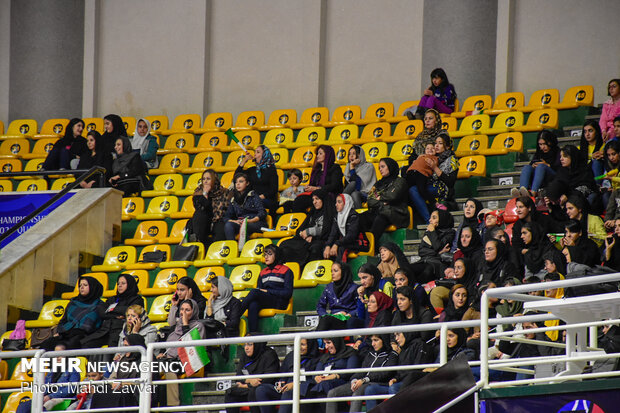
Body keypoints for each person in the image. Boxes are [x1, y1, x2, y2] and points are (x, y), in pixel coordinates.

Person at [325, 334, 397, 413]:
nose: (373, 344)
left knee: (357, 392)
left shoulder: (391, 355)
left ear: (384, 340)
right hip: (362, 382)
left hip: (376, 383)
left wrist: (364, 380)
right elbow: (362, 371)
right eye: (372, 340)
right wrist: (354, 380)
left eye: (376, 340)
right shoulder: (370, 354)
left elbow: (384, 374)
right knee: (332, 393)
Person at [363, 331, 433, 410]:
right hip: (399, 382)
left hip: (411, 382)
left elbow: (417, 370)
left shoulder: (420, 345)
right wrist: (395, 378)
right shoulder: (402, 349)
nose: (396, 338)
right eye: (395, 336)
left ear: (407, 333)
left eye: (398, 335)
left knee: (393, 388)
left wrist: (397, 378)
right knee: (370, 390)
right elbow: (399, 371)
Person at [157, 299, 206, 407]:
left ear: (194, 312)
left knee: (169, 369)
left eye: (187, 310)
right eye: (182, 309)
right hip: (168, 360)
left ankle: (173, 406)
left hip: (186, 361)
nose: (183, 313)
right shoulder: (175, 327)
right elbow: (168, 345)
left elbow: (191, 348)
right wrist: (162, 354)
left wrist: (185, 325)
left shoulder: (198, 326)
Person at [36, 276, 103, 350]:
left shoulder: (99, 305)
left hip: (83, 337)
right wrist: (61, 332)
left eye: (85, 285)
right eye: (80, 285)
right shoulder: (73, 303)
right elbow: (63, 321)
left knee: (61, 347)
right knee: (46, 345)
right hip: (66, 334)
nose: (81, 287)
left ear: (93, 287)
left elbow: (92, 327)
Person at [254, 338, 319, 413]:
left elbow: (314, 380)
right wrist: (281, 382)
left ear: (310, 345)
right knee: (262, 389)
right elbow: (282, 373)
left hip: (302, 391)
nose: (300, 347)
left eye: (303, 344)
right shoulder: (291, 356)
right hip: (285, 388)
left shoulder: (316, 359)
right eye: (298, 344)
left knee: (288, 392)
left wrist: (295, 385)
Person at [239, 245, 293, 333]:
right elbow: (260, 291)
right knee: (253, 304)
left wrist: (268, 291)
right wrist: (264, 292)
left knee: (254, 292)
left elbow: (288, 293)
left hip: (279, 301)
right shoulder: (263, 272)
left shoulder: (286, 271)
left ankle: (235, 315)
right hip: (267, 300)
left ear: (277, 256)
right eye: (265, 254)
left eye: (270, 254)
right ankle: (253, 335)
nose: (266, 257)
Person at [81, 273, 144, 349]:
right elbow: (101, 312)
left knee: (112, 349)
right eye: (118, 284)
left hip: (121, 331)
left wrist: (111, 309)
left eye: (123, 283)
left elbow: (130, 311)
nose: (119, 286)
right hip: (104, 331)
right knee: (85, 343)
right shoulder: (112, 299)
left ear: (130, 284)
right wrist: (116, 315)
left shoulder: (137, 299)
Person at [16, 343, 81, 412]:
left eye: (60, 353)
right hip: (46, 397)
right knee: (24, 405)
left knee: (46, 406)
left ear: (67, 355)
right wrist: (41, 397)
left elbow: (71, 389)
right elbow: (44, 386)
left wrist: (51, 396)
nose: (57, 356)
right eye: (55, 354)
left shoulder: (73, 370)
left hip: (63, 399)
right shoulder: (51, 371)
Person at [409, 134, 459, 221]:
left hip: (442, 188)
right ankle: (428, 218)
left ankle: (428, 220)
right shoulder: (432, 157)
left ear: (447, 146)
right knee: (412, 189)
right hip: (429, 184)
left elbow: (450, 182)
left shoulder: (452, 159)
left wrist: (434, 167)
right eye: (435, 143)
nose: (436, 145)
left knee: (415, 190)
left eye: (440, 143)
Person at [280, 189, 334, 266]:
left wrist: (309, 232)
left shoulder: (329, 212)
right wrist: (305, 234)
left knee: (315, 248)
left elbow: (326, 229)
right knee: (284, 244)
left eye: (317, 199)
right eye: (313, 199)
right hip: (306, 239)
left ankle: (305, 270)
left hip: (321, 240)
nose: (314, 202)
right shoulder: (312, 212)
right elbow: (299, 230)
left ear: (323, 199)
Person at [91, 335, 147, 409]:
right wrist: (114, 383)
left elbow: (145, 381)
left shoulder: (146, 359)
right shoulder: (123, 359)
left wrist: (123, 384)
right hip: (119, 388)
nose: (125, 349)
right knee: (99, 393)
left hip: (135, 392)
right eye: (124, 346)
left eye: (127, 346)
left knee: (120, 396)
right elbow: (112, 377)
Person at [225, 338, 280, 413]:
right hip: (249, 387)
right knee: (230, 392)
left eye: (250, 344)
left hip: (265, 389)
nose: (246, 348)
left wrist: (246, 385)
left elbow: (268, 378)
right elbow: (238, 376)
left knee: (254, 392)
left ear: (257, 344)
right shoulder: (244, 356)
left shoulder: (269, 354)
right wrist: (250, 380)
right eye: (245, 345)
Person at [361, 157, 409, 243]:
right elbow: (370, 200)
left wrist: (380, 197)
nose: (380, 169)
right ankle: (365, 243)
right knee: (361, 217)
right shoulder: (378, 183)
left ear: (390, 167)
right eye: (379, 167)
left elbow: (392, 195)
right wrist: (383, 203)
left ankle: (371, 245)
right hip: (381, 210)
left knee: (381, 217)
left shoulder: (400, 181)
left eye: (383, 167)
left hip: (396, 212)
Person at [307, 337, 360, 402]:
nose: (326, 347)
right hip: (323, 383)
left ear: (336, 342)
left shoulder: (350, 353)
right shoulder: (325, 357)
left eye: (329, 343)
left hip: (343, 382)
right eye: (325, 343)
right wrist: (317, 377)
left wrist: (335, 376)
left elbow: (351, 371)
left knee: (324, 385)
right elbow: (316, 373)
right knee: (306, 387)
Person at [292, 145, 343, 212]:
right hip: (316, 194)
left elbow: (335, 185)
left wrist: (317, 188)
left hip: (329, 195)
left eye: (320, 153)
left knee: (305, 200)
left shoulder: (335, 168)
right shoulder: (317, 170)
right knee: (297, 201)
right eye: (317, 154)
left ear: (327, 155)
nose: (317, 156)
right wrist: (308, 187)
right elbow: (313, 185)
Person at [188, 169, 231, 246]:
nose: (205, 181)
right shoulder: (198, 192)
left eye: (208, 179)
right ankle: (200, 245)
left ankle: (214, 251)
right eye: (203, 179)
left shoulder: (224, 192)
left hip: (218, 220)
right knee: (199, 215)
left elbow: (226, 210)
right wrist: (205, 194)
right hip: (204, 222)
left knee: (221, 228)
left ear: (214, 180)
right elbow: (200, 208)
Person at [410, 210, 455, 283]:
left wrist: (432, 232)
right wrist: (437, 253)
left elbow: (437, 246)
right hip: (424, 261)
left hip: (436, 264)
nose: (430, 220)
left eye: (434, 218)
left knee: (427, 271)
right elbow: (421, 251)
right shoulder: (429, 231)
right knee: (407, 269)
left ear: (442, 219)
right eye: (430, 218)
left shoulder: (449, 233)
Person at [513, 129, 561, 198]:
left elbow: (561, 169)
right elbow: (533, 162)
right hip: (539, 177)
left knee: (541, 166)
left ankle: (533, 192)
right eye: (540, 144)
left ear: (550, 142)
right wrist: (533, 165)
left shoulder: (558, 152)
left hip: (553, 176)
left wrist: (548, 165)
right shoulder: (539, 152)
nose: (542, 147)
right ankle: (522, 192)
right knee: (527, 167)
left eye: (544, 144)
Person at [316, 261, 360, 332]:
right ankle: (314, 340)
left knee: (326, 321)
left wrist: (349, 314)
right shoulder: (329, 287)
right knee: (326, 319)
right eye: (331, 271)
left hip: (347, 319)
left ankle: (314, 340)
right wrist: (325, 315)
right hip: (331, 318)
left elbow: (360, 307)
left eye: (335, 271)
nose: (332, 273)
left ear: (343, 272)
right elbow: (320, 306)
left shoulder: (354, 288)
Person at [224, 173, 268, 240]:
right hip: (242, 223)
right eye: (236, 182)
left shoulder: (253, 195)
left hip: (256, 223)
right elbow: (226, 217)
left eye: (241, 181)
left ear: (247, 183)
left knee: (245, 226)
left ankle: (244, 248)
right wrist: (234, 221)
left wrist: (251, 220)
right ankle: (232, 247)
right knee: (228, 225)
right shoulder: (234, 199)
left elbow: (262, 212)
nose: (238, 184)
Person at [237, 144, 279, 214]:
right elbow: (237, 176)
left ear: (265, 155)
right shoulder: (252, 170)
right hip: (253, 198)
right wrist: (245, 160)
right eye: (255, 152)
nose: (255, 154)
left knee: (252, 203)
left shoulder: (271, 170)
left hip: (267, 199)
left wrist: (260, 197)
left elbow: (274, 189)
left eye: (258, 152)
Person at [324, 193, 366, 261]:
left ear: (346, 203)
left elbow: (351, 236)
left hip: (359, 242)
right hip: (345, 242)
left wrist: (337, 243)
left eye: (339, 202)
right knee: (327, 249)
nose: (336, 204)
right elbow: (333, 233)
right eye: (336, 202)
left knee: (341, 248)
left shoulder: (354, 216)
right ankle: (331, 269)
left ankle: (339, 269)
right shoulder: (337, 216)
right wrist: (328, 246)